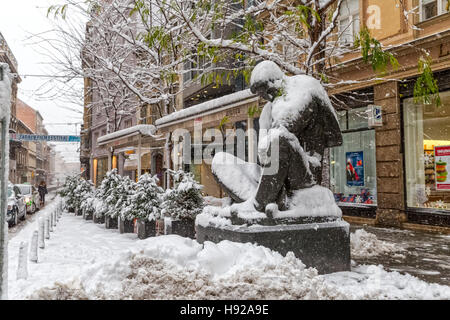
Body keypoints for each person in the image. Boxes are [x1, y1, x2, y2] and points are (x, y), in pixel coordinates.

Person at [212, 60, 343, 212]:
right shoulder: (269, 110)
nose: (265, 97)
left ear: (274, 82)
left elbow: (287, 125)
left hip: (305, 172)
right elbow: (263, 155)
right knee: (220, 160)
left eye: (265, 91)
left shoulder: (304, 87)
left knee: (279, 138)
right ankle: (267, 199)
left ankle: (258, 204)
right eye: (261, 95)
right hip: (272, 173)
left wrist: (270, 135)